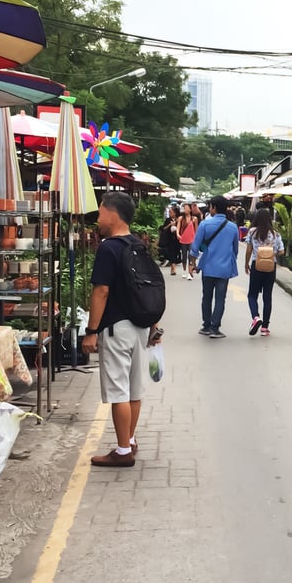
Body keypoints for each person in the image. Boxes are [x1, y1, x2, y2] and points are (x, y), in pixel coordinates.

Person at [82, 192, 163, 468]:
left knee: (118, 392)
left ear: (112, 214)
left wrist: (91, 331)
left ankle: (122, 450)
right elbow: (146, 287)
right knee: (133, 390)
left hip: (116, 329)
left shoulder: (109, 248)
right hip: (140, 326)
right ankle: (129, 439)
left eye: (101, 213)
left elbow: (101, 291)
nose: (98, 219)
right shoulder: (138, 244)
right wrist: (153, 325)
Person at [191, 196, 239, 338]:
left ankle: (206, 326)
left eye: (210, 206)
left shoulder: (205, 225)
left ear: (214, 208)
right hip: (224, 269)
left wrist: (193, 264)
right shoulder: (232, 227)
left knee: (206, 297)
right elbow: (235, 250)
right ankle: (215, 328)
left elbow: (195, 247)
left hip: (208, 268)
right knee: (220, 299)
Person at [243, 207, 284, 337]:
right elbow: (282, 251)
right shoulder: (276, 234)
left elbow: (249, 250)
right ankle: (265, 327)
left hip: (257, 265)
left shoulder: (252, 232)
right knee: (267, 297)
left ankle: (256, 317)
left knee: (252, 295)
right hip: (271, 267)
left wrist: (246, 263)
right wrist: (272, 253)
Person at [158, 204, 183, 276]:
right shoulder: (168, 220)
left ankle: (173, 266)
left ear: (175, 213)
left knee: (176, 253)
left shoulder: (179, 219)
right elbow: (163, 229)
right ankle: (173, 268)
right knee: (171, 253)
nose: (170, 213)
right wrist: (170, 225)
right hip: (169, 239)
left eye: (171, 212)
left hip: (177, 240)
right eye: (169, 212)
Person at [176, 203, 197, 280]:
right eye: (184, 208)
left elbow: (196, 230)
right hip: (183, 239)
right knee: (184, 256)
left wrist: (196, 239)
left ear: (190, 209)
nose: (185, 210)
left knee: (190, 256)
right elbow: (178, 227)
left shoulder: (194, 219)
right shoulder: (181, 218)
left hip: (191, 239)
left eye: (187, 208)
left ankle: (189, 272)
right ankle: (184, 270)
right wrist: (178, 234)